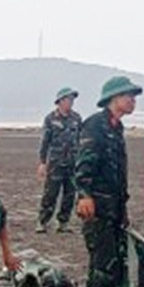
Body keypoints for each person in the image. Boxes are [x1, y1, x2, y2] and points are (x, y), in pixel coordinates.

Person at [75, 76, 143, 287]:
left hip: (113, 207)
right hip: (97, 207)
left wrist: (122, 208)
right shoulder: (96, 125)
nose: (133, 101)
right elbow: (83, 165)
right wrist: (84, 195)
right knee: (103, 266)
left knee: (109, 265)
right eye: (129, 96)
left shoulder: (116, 128)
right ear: (114, 98)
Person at [37, 87, 83, 233]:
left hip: (72, 163)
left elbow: (80, 140)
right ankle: (43, 222)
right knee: (51, 193)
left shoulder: (76, 118)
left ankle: (63, 223)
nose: (71, 102)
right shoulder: (51, 119)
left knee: (70, 194)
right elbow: (45, 142)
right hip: (56, 163)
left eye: (72, 100)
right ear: (60, 101)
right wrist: (42, 162)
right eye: (69, 99)